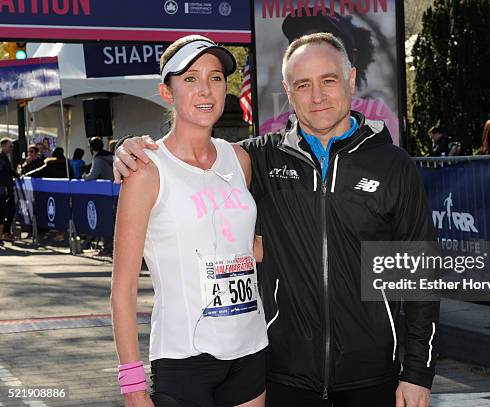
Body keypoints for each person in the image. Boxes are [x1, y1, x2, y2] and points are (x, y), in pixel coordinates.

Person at [114, 32, 439, 407]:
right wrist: (128, 148)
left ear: (350, 79)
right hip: (282, 375)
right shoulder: (261, 159)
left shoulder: (393, 165)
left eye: (328, 81)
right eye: (303, 85)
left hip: (371, 375)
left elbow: (420, 276)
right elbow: (187, 163)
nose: (317, 96)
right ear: (288, 91)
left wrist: (418, 372)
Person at [111, 35, 267, 407]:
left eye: (215, 78)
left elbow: (246, 247)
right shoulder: (146, 169)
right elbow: (122, 288)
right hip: (184, 358)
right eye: (190, 78)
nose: (206, 90)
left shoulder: (239, 159)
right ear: (167, 91)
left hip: (251, 348)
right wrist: (132, 385)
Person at [259, 8, 400, 145]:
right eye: (303, 45)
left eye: (328, 43)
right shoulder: (271, 132)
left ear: (351, 59)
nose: (315, 55)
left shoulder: (379, 117)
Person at [0, 138, 18, 244]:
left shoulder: (5, 158)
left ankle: (2, 235)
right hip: (3, 190)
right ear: (3, 145)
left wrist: (18, 175)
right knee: (3, 213)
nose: (11, 149)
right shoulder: (1, 158)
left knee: (4, 213)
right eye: (9, 146)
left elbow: (10, 171)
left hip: (5, 191)